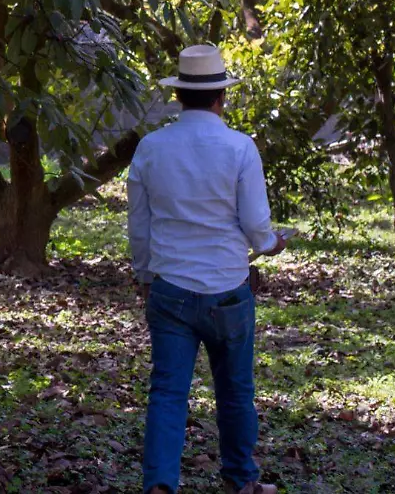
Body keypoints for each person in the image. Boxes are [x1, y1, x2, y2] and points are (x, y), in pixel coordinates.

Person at [128, 44, 289, 494]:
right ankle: (241, 481)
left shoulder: (150, 147)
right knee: (236, 392)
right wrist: (272, 243)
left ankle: (160, 484)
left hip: (171, 290)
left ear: (178, 95)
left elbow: (139, 225)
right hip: (228, 291)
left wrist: (144, 276)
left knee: (167, 393)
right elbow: (257, 227)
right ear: (222, 97)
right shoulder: (240, 148)